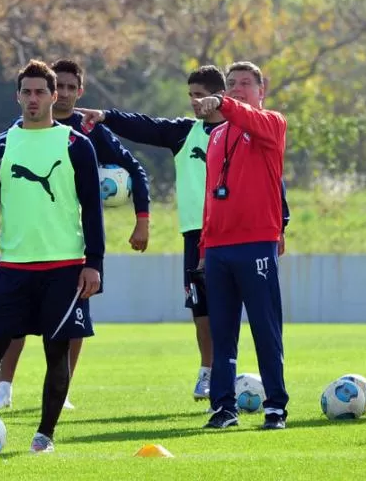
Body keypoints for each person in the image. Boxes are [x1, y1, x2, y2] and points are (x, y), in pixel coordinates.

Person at [76, 65, 291, 402]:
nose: (195, 101)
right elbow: (145, 126)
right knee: (203, 311)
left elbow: (273, 180)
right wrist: (106, 116)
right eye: (190, 95)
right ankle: (212, 379)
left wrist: (281, 225)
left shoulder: (258, 128)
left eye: (201, 95)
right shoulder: (190, 133)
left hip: (251, 237)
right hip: (204, 237)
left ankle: (273, 402)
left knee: (261, 321)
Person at [0, 60, 104, 454]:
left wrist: (94, 262)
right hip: (12, 269)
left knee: (56, 351)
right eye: (26, 92)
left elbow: (93, 209)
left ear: (54, 95)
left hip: (64, 268)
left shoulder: (77, 145)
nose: (33, 98)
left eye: (40, 92)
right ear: (17, 96)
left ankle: (44, 436)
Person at [0, 58, 149, 411]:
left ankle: (62, 392)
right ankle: (3, 388)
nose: (61, 93)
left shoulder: (87, 134)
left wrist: (142, 219)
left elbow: (134, 169)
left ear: (80, 92)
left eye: (69, 87)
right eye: (55, 86)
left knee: (72, 326)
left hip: (69, 249)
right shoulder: (19, 131)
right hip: (24, 248)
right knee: (13, 327)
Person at [190, 61, 288, 430]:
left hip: (256, 243)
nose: (236, 89)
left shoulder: (272, 124)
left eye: (245, 83)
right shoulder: (215, 136)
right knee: (222, 334)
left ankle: (275, 407)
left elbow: (242, 115)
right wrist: (203, 247)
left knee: (265, 329)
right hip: (218, 248)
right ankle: (223, 408)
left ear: (261, 90)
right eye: (231, 84)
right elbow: (210, 195)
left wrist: (221, 102)